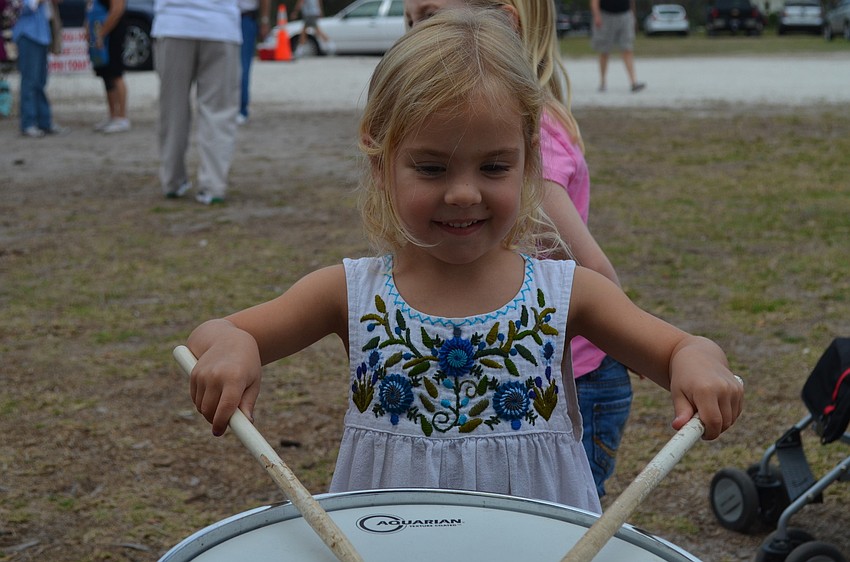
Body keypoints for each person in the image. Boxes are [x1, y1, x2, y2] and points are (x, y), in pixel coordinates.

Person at [185, 9, 743, 511]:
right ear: (379, 155)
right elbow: (215, 335)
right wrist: (233, 342)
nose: (463, 194)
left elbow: (680, 349)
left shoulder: (569, 293)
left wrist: (698, 359)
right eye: (431, 168)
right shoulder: (347, 293)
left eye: (494, 168)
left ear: (528, 156)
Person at [405, 0, 630, 497]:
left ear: (503, 23)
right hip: (527, 371)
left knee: (552, 525)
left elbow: (590, 265)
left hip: (569, 380)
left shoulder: (520, 139)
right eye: (413, 23)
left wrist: (631, 337)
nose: (414, 38)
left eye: (430, 21)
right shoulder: (510, 122)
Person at [152, 0, 241, 205]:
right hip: (221, 25)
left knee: (172, 108)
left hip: (173, 23)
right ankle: (213, 185)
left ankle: (172, 181)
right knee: (218, 111)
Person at [12, 0, 66, 137]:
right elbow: (25, 7)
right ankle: (28, 123)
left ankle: (44, 121)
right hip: (29, 34)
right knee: (30, 81)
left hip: (42, 34)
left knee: (40, 81)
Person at [87, 0, 131, 134]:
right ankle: (113, 116)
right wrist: (88, 30)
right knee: (106, 74)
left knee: (116, 74)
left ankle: (122, 117)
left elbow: (117, 11)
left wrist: (102, 33)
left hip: (112, 34)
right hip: (99, 33)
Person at [590, 0, 645, 92]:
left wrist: (633, 16)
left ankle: (633, 82)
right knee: (604, 51)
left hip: (625, 14)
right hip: (605, 15)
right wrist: (596, 15)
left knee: (627, 48)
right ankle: (603, 82)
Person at [236, 0, 270, 124]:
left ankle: (241, 108)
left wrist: (264, 20)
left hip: (245, 17)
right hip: (225, 17)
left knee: (243, 65)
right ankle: (234, 108)